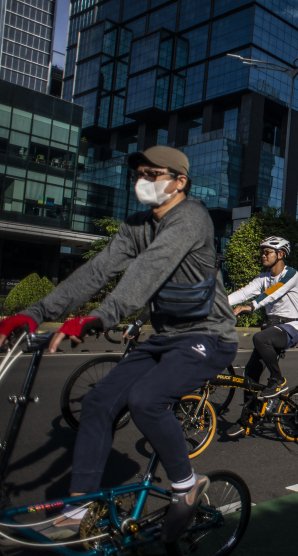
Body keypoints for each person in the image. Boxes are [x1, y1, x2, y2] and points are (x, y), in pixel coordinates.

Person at [0, 146, 239, 541]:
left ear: (180, 182)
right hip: (165, 338)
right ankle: (81, 507)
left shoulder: (191, 218)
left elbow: (149, 269)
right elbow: (97, 269)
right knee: (97, 401)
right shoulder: (136, 225)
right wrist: (36, 312)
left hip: (208, 337)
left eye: (153, 174)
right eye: (139, 173)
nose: (142, 181)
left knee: (147, 398)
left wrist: (100, 316)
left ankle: (186, 483)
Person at [225, 236, 298, 436]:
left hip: (291, 327)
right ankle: (248, 417)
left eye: (267, 252)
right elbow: (244, 292)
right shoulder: (263, 277)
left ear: (280, 254)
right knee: (250, 373)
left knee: (260, 339)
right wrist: (218, 303)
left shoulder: (291, 274)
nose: (263, 255)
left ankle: (277, 379)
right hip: (272, 329)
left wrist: (251, 306)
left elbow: (273, 292)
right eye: (262, 252)